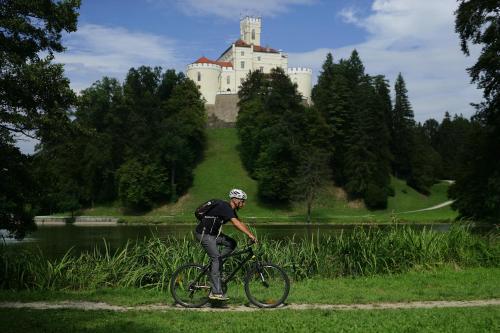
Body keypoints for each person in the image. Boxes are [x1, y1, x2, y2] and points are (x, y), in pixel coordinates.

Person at [194, 188, 257, 301]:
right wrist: (250, 235)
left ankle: (218, 265)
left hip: (214, 235)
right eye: (242, 200)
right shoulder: (225, 207)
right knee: (216, 258)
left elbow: (240, 222)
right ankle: (215, 292)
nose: (243, 203)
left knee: (231, 243)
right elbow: (236, 223)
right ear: (234, 200)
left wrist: (250, 233)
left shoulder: (230, 210)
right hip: (204, 234)